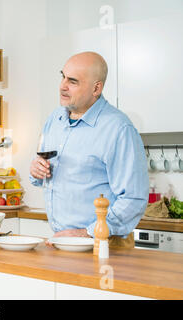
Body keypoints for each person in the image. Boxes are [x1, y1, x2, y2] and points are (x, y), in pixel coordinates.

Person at [29, 52, 148, 247]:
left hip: (103, 243)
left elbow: (133, 198)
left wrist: (87, 233)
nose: (62, 86)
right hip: (62, 241)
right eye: (63, 76)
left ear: (96, 88)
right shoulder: (55, 119)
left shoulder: (118, 128)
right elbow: (43, 171)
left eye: (73, 81)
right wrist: (36, 171)